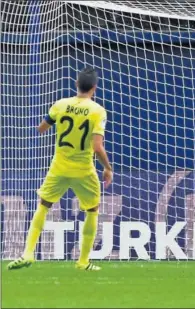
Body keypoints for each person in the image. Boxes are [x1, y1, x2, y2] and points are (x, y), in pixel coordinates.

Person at [7, 68, 113, 271]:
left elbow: (42, 128)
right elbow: (97, 146)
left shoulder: (60, 104)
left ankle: (28, 253)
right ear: (94, 88)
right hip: (83, 170)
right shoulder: (98, 110)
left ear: (76, 84)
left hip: (59, 168)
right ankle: (82, 262)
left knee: (43, 206)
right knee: (92, 211)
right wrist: (107, 168)